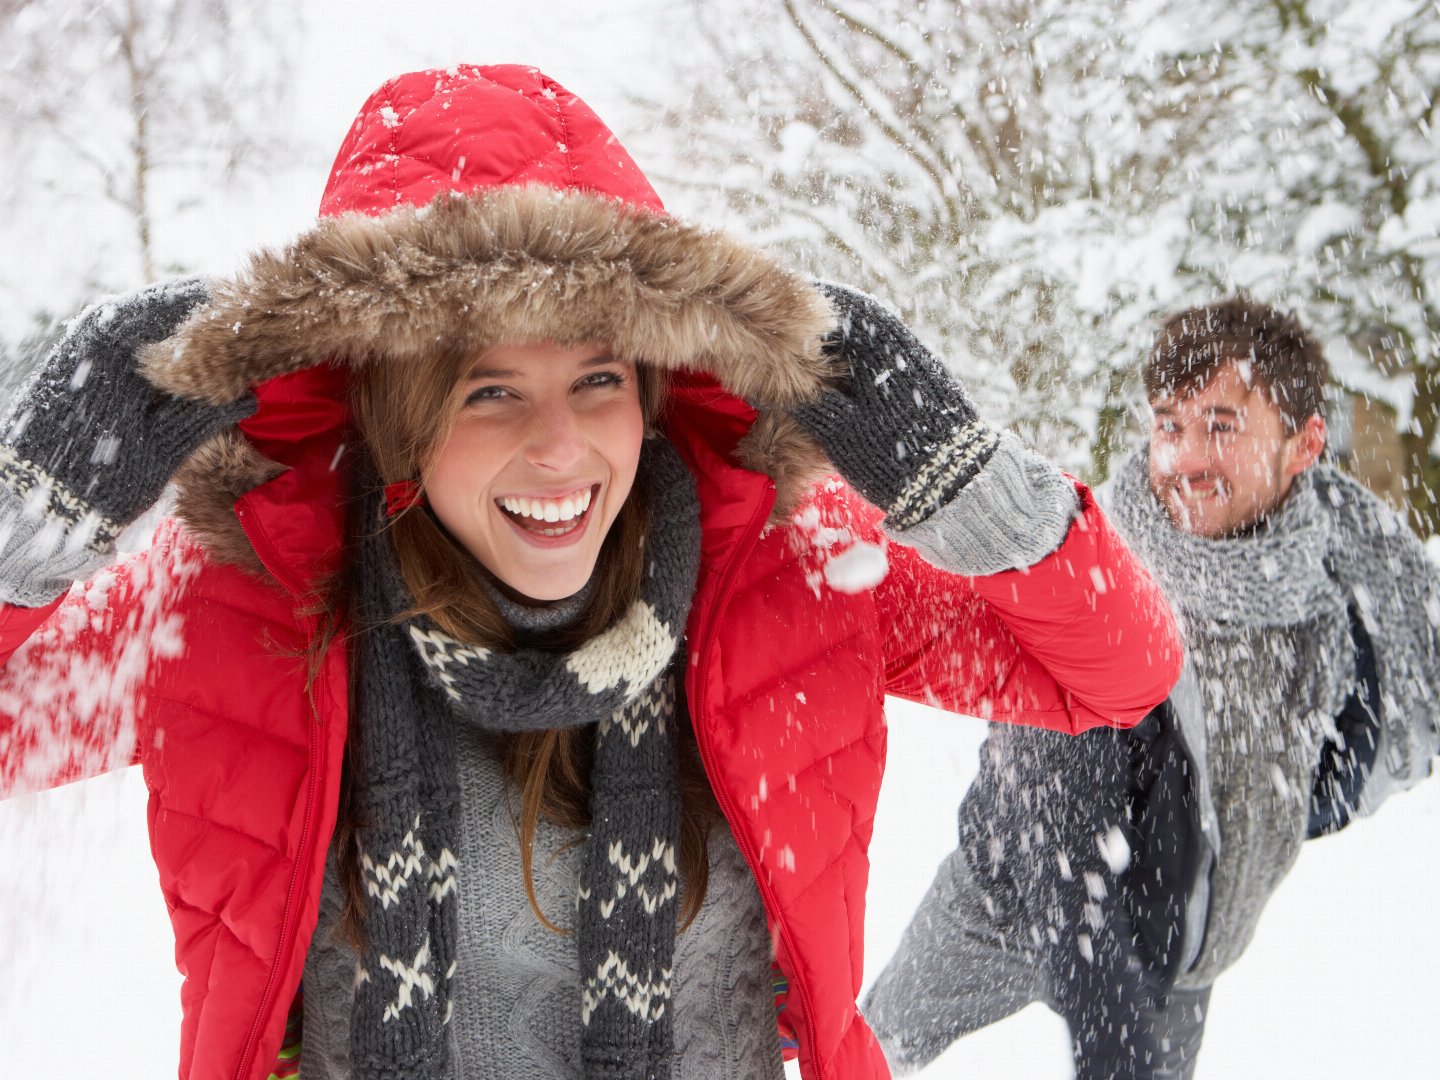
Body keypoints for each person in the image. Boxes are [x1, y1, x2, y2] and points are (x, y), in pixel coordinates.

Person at [0, 65, 1182, 1080]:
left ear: (654, 386)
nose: (560, 448)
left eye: (598, 380)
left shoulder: (783, 574)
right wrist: (27, 529)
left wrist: (965, 484)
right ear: (399, 415)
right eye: (488, 391)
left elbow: (1111, 673)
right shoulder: (247, 598)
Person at [864, 296, 1440, 1079]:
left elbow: (1354, 738)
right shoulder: (1096, 578)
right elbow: (1065, 862)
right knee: (868, 1053)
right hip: (1008, 896)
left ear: (1306, 446)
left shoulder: (1321, 584)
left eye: (1222, 426)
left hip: (1185, 937)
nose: (1183, 459)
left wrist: (1266, 820)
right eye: (1169, 424)